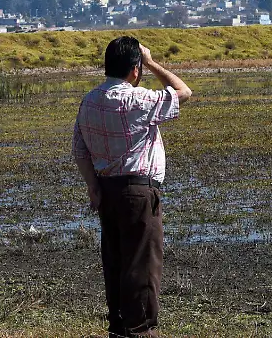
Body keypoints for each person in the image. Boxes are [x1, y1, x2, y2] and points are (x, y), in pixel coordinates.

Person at [73, 36, 193, 338]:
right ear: (135, 70)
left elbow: (80, 150)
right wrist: (152, 62)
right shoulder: (135, 101)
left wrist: (93, 187)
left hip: (106, 192)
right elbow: (183, 92)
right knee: (142, 267)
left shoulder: (89, 100)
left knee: (115, 266)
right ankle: (141, 332)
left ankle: (119, 329)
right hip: (139, 192)